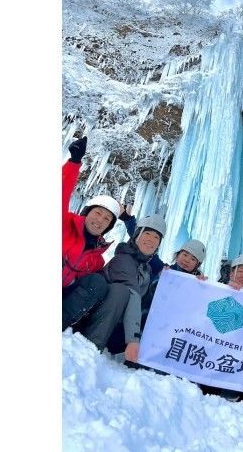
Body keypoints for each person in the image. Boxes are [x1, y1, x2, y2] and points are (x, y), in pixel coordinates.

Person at [77, 214, 167, 363]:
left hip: (116, 326)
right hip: (90, 321)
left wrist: (195, 282)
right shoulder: (123, 260)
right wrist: (133, 339)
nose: (151, 240)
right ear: (137, 235)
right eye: (147, 233)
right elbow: (133, 294)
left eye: (156, 238)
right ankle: (90, 348)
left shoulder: (146, 268)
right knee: (121, 292)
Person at [62, 136, 123, 330]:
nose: (100, 220)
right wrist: (74, 163)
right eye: (98, 213)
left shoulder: (98, 258)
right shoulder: (64, 225)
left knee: (98, 282)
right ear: (87, 213)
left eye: (107, 220)